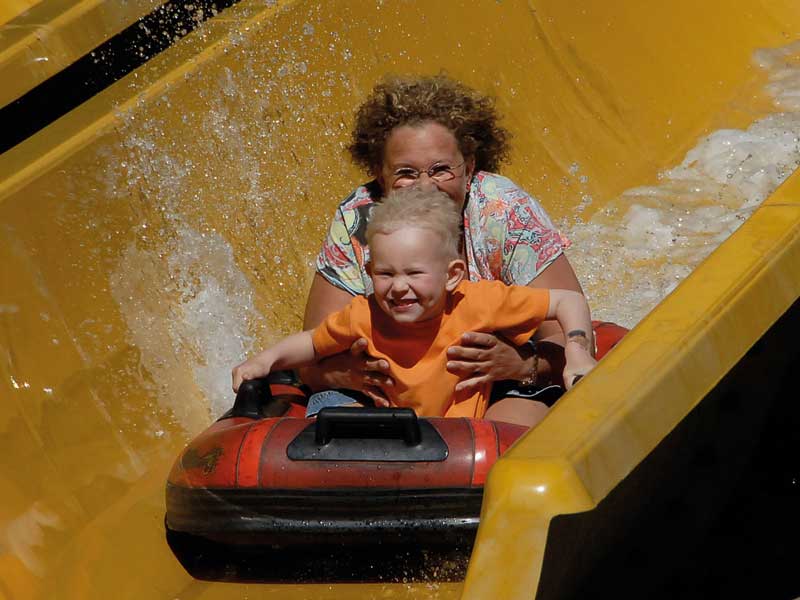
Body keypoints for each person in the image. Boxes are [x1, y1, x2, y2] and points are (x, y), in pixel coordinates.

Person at [300, 73, 591, 423]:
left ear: (469, 167)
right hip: (388, 386)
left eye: (441, 170)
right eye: (406, 173)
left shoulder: (504, 211)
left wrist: (522, 365)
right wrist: (348, 375)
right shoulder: (356, 221)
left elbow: (571, 337)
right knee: (344, 434)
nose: (425, 187)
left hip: (495, 377)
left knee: (507, 433)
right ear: (380, 174)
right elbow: (310, 357)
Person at [232, 188, 596, 427]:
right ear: (370, 273)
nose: (398, 286)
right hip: (397, 436)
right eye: (385, 273)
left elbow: (569, 301)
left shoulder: (478, 302)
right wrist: (265, 361)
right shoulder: (364, 314)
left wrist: (577, 351)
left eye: (414, 273)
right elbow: (312, 343)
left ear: (452, 275)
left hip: (464, 437)